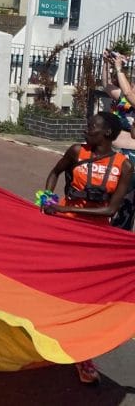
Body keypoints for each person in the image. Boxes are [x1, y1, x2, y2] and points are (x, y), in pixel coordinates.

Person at [42, 111, 133, 385]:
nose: (85, 130)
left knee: (86, 296)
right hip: (66, 230)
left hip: (96, 239)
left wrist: (60, 207)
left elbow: (111, 208)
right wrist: (47, 198)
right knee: (55, 286)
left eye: (91, 127)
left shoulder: (124, 166)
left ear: (106, 133)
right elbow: (54, 172)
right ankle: (45, 333)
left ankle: (84, 356)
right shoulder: (75, 151)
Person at [102, 53, 135, 230]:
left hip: (132, 155)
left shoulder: (130, 95)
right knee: (107, 191)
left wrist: (119, 68)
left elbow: (129, 95)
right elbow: (106, 85)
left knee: (126, 199)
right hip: (116, 151)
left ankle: (120, 233)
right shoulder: (125, 93)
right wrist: (106, 64)